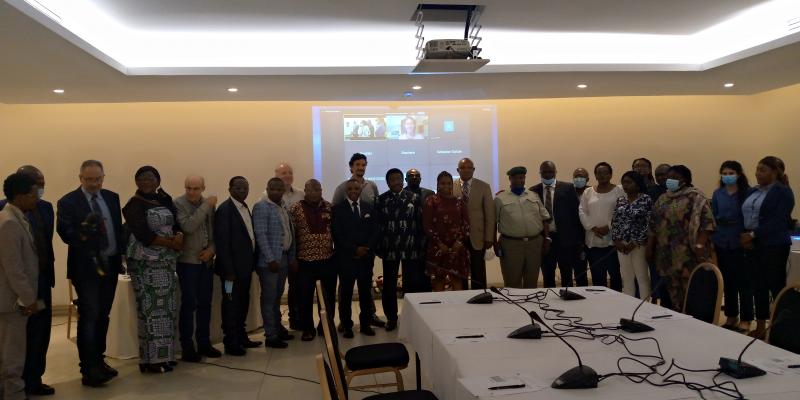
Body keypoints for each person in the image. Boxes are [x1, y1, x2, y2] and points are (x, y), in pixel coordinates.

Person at [56, 160, 125, 387]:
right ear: (80, 178)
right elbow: (66, 235)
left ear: (103, 177)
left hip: (111, 266)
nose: (94, 184)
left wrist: (123, 258)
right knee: (89, 318)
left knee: (103, 317)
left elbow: (117, 230)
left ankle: (99, 360)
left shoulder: (112, 198)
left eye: (98, 179)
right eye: (89, 179)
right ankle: (88, 369)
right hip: (86, 271)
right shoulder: (68, 201)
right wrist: (84, 230)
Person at [0, 166, 55, 396]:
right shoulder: (9, 222)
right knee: (12, 353)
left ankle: (25, 384)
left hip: (30, 289)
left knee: (22, 345)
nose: (37, 197)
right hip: (13, 301)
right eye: (34, 193)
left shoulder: (17, 216)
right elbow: (14, 268)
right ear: (21, 196)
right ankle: (14, 393)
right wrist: (29, 299)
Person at [122, 166, 182, 374]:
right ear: (136, 182)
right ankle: (151, 360)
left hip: (165, 261)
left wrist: (178, 236)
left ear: (158, 180)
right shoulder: (133, 204)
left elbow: (177, 222)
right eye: (141, 179)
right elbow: (143, 234)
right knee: (150, 311)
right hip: (145, 262)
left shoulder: (164, 199)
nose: (146, 182)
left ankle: (165, 356)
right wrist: (169, 243)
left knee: (167, 310)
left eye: (150, 178)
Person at [646, 165, 715, 312]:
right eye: (669, 177)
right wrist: (649, 247)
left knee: (689, 291)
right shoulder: (663, 198)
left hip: (688, 254)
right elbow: (653, 225)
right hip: (665, 255)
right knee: (667, 292)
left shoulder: (696, 197)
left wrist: (700, 245)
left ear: (685, 179)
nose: (670, 180)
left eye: (675, 177)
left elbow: (708, 224)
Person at [741, 156, 795, 339]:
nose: (758, 173)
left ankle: (781, 327)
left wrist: (753, 234)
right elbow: (746, 215)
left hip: (774, 245)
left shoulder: (783, 192)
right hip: (753, 244)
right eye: (757, 169)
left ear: (775, 172)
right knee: (758, 286)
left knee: (776, 286)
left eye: (763, 170)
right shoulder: (753, 191)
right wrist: (746, 236)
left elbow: (779, 221)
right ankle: (761, 325)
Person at [331, 153, 384, 328]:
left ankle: (367, 320)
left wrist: (367, 247)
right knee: (345, 291)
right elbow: (337, 224)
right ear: (351, 167)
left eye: (363, 164)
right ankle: (345, 323)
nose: (361, 167)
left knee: (365, 290)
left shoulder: (372, 186)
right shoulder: (341, 189)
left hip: (366, 253)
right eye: (357, 165)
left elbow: (375, 220)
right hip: (347, 255)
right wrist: (353, 249)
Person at [173, 175, 221, 362]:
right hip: (187, 263)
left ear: (203, 188)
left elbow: (214, 232)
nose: (192, 192)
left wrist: (212, 250)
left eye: (196, 188)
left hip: (206, 262)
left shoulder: (208, 204)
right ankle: (187, 347)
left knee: (205, 304)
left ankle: (204, 343)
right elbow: (189, 226)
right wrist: (206, 205)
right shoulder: (178, 203)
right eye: (188, 188)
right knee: (189, 304)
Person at [214, 176, 262, 356]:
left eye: (245, 188)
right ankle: (230, 342)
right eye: (239, 188)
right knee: (230, 304)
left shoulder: (244, 207)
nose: (243, 191)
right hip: (230, 273)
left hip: (244, 269)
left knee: (242, 303)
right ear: (230, 189)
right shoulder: (225, 210)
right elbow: (222, 242)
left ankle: (241, 337)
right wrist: (228, 271)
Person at [376, 169, 426, 331]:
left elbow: (420, 224)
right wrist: (379, 247)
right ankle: (391, 318)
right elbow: (378, 226)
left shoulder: (415, 198)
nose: (396, 181)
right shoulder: (381, 200)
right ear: (388, 182)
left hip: (411, 249)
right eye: (392, 179)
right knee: (389, 286)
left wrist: (421, 246)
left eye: (398, 178)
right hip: (390, 249)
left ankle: (411, 317)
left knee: (411, 285)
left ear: (402, 180)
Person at [289, 179, 336, 341]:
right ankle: (307, 328)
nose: (316, 192)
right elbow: (291, 236)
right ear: (305, 191)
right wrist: (293, 258)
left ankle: (325, 326)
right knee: (304, 298)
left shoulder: (329, 207)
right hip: (304, 261)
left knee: (328, 297)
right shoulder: (295, 209)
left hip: (327, 259)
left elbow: (335, 232)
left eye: (318, 189)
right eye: (312, 190)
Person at [253, 178, 297, 348]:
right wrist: (270, 258)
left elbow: (289, 232)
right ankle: (270, 335)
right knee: (269, 298)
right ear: (267, 189)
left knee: (278, 296)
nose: (277, 192)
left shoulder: (283, 206)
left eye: (280, 189)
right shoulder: (262, 207)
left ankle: (278, 328)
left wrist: (291, 257)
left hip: (284, 257)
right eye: (273, 189)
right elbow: (261, 234)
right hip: (269, 262)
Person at [711, 161, 752, 333]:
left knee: (743, 281)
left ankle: (746, 319)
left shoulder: (747, 193)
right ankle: (731, 316)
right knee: (728, 282)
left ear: (739, 174)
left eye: (731, 172)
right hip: (721, 239)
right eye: (724, 173)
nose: (727, 176)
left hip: (740, 240)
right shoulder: (718, 193)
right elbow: (713, 215)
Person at [494, 166, 550, 288]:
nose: (521, 180)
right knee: (512, 282)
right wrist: (495, 242)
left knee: (532, 281)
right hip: (511, 245)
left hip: (534, 243)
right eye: (517, 178)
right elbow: (493, 222)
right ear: (510, 179)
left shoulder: (533, 196)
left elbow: (545, 218)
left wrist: (547, 238)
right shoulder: (500, 198)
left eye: (523, 177)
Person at [530, 161, 585, 288]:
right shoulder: (533, 191)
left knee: (566, 274)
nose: (548, 174)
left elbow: (576, 215)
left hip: (565, 240)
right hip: (545, 239)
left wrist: (579, 240)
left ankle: (567, 299)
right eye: (544, 172)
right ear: (540, 173)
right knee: (548, 274)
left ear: (555, 172)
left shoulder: (568, 188)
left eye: (550, 171)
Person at [579, 162, 625, 291]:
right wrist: (593, 228)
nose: (602, 175)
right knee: (598, 278)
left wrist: (608, 226)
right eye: (599, 173)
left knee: (615, 277)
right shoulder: (588, 192)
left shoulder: (619, 190)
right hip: (593, 241)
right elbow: (582, 211)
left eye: (605, 172)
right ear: (595, 175)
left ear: (611, 174)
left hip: (613, 242)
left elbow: (622, 211)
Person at [269, 163, 304, 331]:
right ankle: (275, 324)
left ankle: (295, 319)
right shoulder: (266, 196)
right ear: (276, 175)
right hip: (278, 251)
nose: (288, 175)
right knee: (277, 289)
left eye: (290, 172)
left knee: (296, 285)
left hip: (298, 246)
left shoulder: (301, 194)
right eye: (283, 173)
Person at [453, 158, 495, 289]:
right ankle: (463, 298)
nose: (466, 170)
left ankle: (480, 297)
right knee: (461, 270)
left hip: (478, 236)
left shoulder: (484, 186)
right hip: (457, 237)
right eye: (463, 168)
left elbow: (490, 214)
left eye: (469, 168)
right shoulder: (450, 186)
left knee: (478, 270)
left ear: (474, 170)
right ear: (457, 170)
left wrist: (489, 237)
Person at [424, 171, 470, 291]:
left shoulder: (459, 201)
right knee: (439, 278)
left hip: (457, 247)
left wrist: (459, 242)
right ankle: (440, 309)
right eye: (443, 183)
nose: (446, 186)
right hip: (438, 247)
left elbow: (466, 224)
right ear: (438, 184)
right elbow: (427, 225)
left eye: (449, 183)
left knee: (456, 278)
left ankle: (457, 309)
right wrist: (439, 243)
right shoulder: (431, 200)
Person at [611, 171, 653, 298]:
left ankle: (644, 307)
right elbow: (615, 221)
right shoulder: (621, 200)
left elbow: (648, 223)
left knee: (642, 277)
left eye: (629, 182)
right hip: (622, 245)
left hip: (638, 245)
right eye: (623, 182)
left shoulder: (646, 199)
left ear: (637, 183)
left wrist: (635, 242)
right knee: (627, 278)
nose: (625, 185)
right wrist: (616, 240)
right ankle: (628, 306)